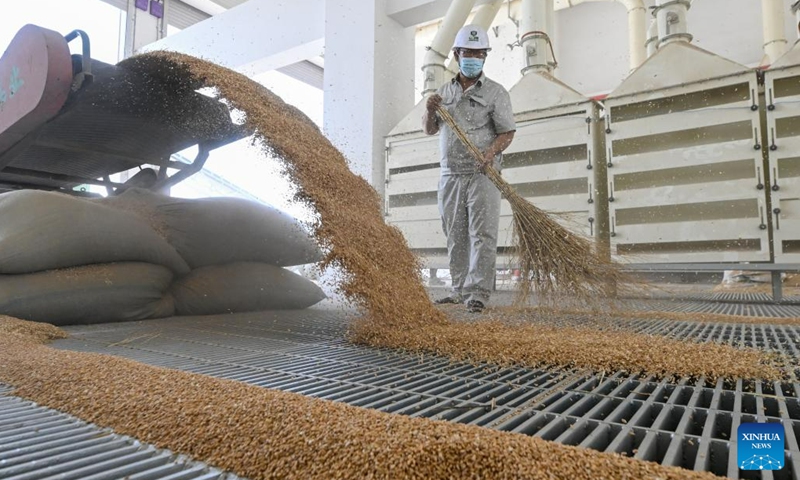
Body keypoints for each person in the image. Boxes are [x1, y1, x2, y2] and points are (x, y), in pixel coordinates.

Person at [422, 24, 516, 313]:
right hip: (450, 175)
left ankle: (478, 293)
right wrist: (429, 109)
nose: (473, 58)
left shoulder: (496, 93)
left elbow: (507, 132)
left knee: (482, 234)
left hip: (481, 174)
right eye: (468, 53)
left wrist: (488, 154)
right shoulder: (443, 92)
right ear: (456, 54)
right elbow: (429, 130)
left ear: (485, 57)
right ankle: (459, 289)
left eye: (479, 53)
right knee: (455, 233)